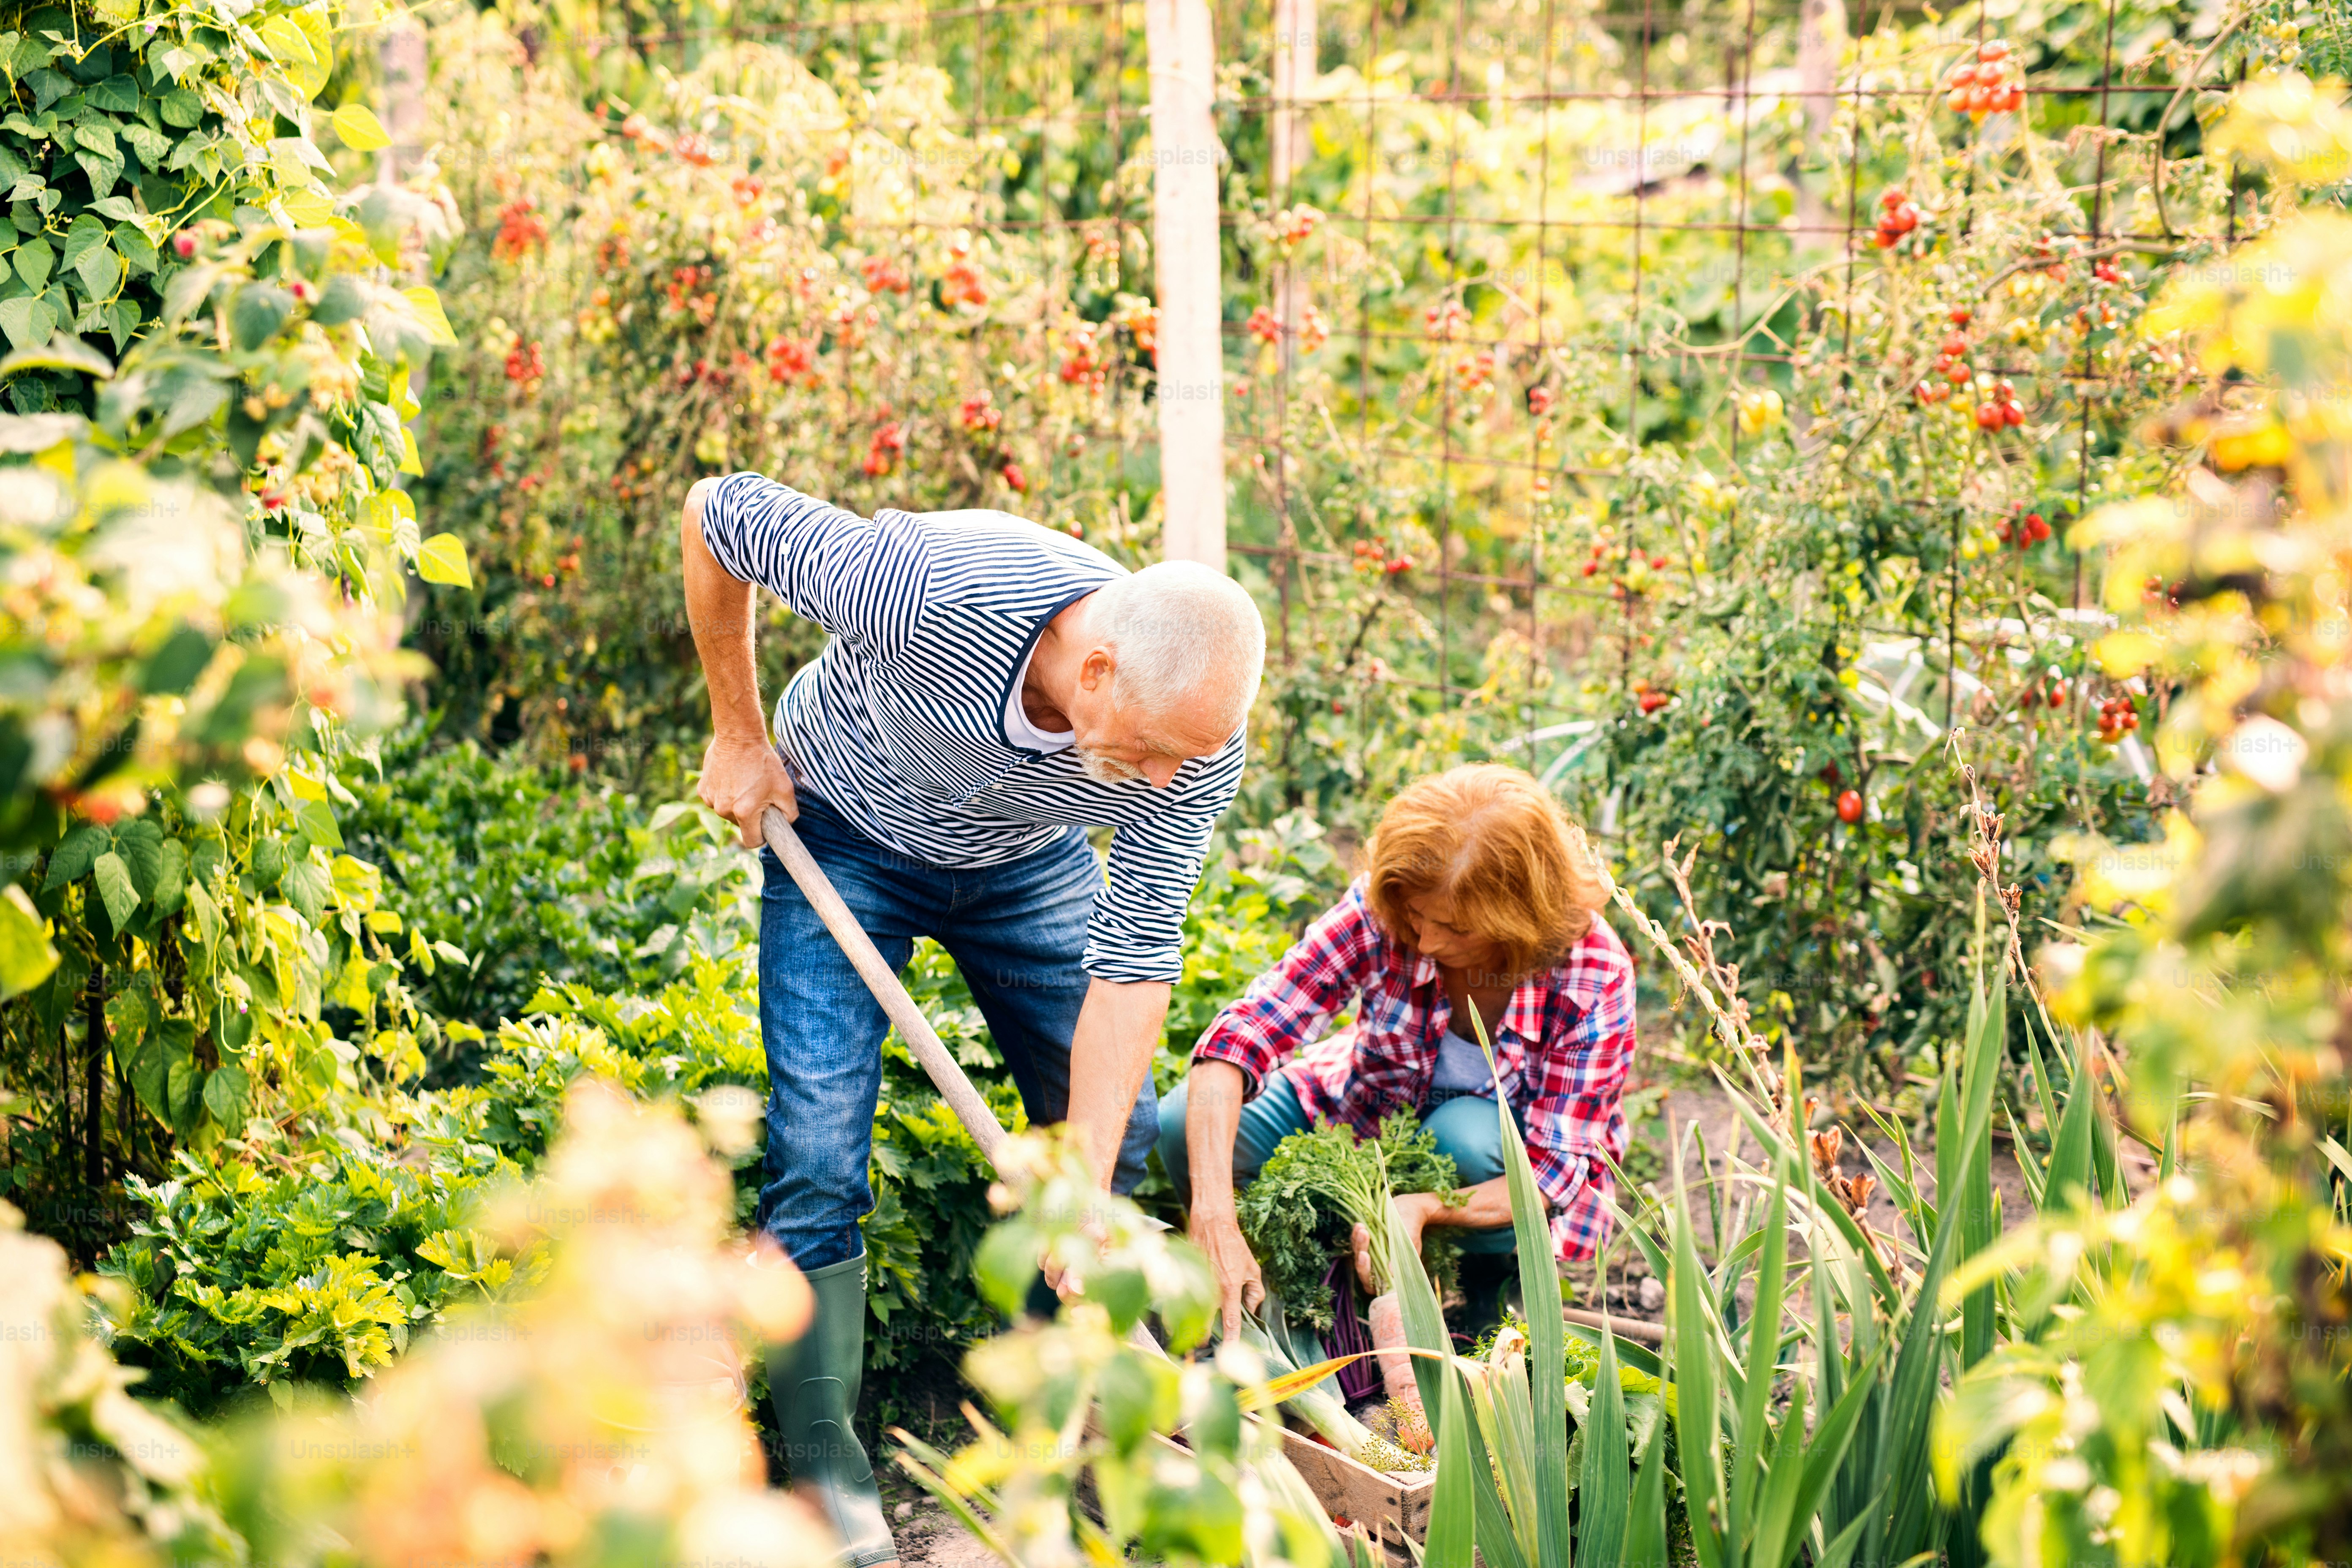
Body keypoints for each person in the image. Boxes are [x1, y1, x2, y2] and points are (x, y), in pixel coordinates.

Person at [681, 472, 1264, 1568]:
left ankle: (1031, 1445)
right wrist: (736, 731)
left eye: (1186, 758)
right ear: (1096, 672)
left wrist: (1083, 1189)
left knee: (1113, 1130)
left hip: (1022, 862)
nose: (1163, 780)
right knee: (815, 1154)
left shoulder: (1191, 740)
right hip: (844, 828)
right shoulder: (924, 587)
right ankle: (830, 1479)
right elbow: (719, 514)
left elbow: (1135, 962)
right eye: (1149, 752)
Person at [1160, 764, 1635, 1342]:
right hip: (1362, 1117)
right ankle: (1272, 1272)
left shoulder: (1592, 973)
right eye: (1417, 917)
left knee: (1466, 1137)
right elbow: (1243, 1036)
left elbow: (1551, 1174)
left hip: (1487, 1176)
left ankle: (1490, 1287)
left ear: (1520, 916)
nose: (1428, 943)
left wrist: (1424, 1206)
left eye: (1456, 929)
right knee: (1181, 1120)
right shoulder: (1383, 910)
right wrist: (1213, 1211)